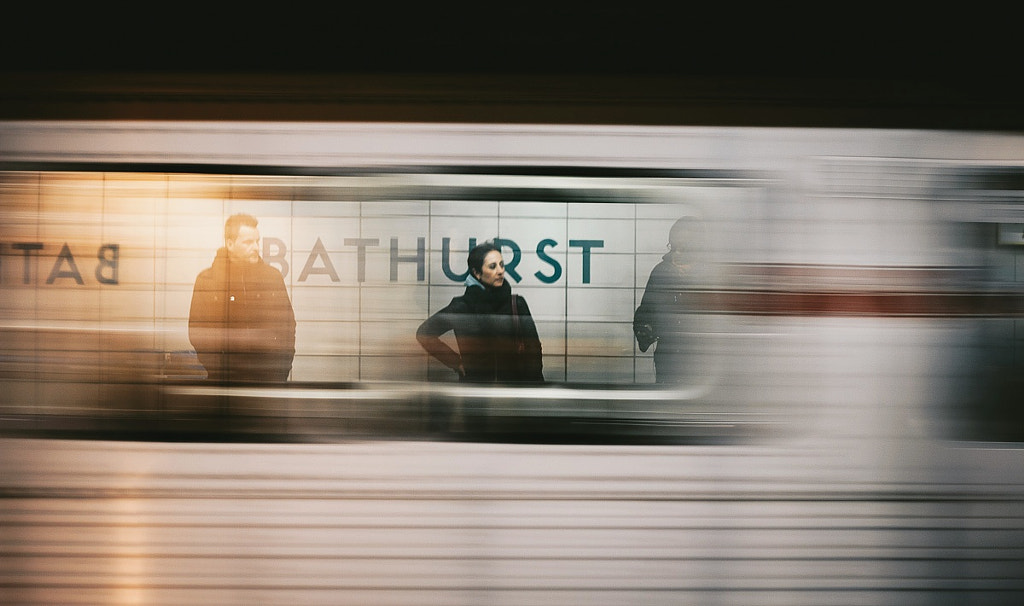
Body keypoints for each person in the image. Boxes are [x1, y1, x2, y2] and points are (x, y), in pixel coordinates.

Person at [188, 213, 296, 383]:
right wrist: (218, 369)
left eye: (257, 241)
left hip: (268, 380)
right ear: (230, 244)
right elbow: (197, 330)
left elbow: (288, 326)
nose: (256, 247)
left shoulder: (272, 277)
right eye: (248, 242)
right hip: (224, 382)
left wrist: (280, 370)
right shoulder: (208, 280)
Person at [417, 241, 544, 384]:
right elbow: (425, 333)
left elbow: (534, 349)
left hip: (514, 392)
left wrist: (533, 383)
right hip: (476, 393)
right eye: (492, 266)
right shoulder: (462, 307)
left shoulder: (516, 304)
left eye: (502, 265)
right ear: (477, 273)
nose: (500, 271)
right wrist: (456, 363)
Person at [633, 216, 706, 384]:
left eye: (684, 248)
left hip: (700, 366)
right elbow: (645, 312)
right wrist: (645, 329)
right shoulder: (661, 272)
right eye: (673, 247)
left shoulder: (710, 275)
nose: (677, 254)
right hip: (669, 363)